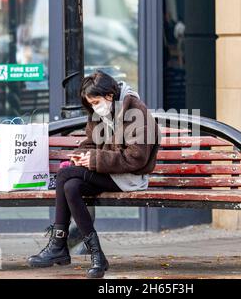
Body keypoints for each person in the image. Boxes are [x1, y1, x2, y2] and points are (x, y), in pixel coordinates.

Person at [27, 71, 161, 278]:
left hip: (130, 178)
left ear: (109, 95)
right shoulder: (99, 112)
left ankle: (59, 246)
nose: (94, 107)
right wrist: (80, 156)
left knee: (64, 177)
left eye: (96, 101)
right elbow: (90, 143)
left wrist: (95, 160)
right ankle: (97, 257)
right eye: (90, 104)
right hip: (109, 174)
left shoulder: (137, 112)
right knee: (71, 186)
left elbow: (137, 158)